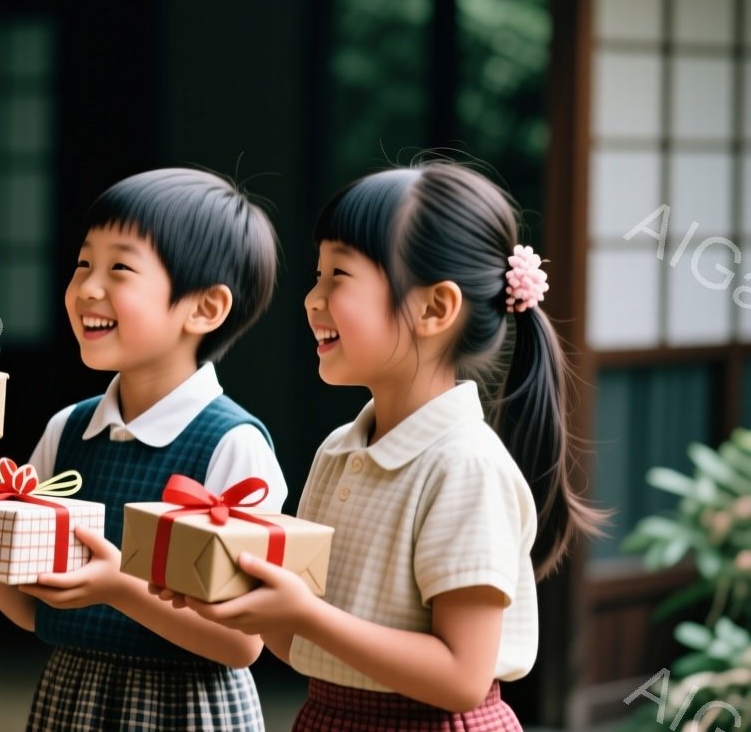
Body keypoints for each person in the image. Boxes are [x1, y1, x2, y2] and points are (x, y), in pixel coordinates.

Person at [162, 161, 605, 730]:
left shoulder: (464, 465)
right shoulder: (339, 451)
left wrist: (306, 615)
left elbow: (461, 679)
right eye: (316, 276)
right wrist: (228, 593)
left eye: (338, 277)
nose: (311, 300)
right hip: (329, 715)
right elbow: (302, 644)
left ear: (434, 308)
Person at [0, 168, 284, 732]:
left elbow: (242, 642)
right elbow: (36, 613)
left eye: (119, 268)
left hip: (189, 707)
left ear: (204, 308)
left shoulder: (233, 446)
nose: (87, 288)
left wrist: (117, 589)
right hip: (72, 693)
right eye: (83, 264)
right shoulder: (67, 430)